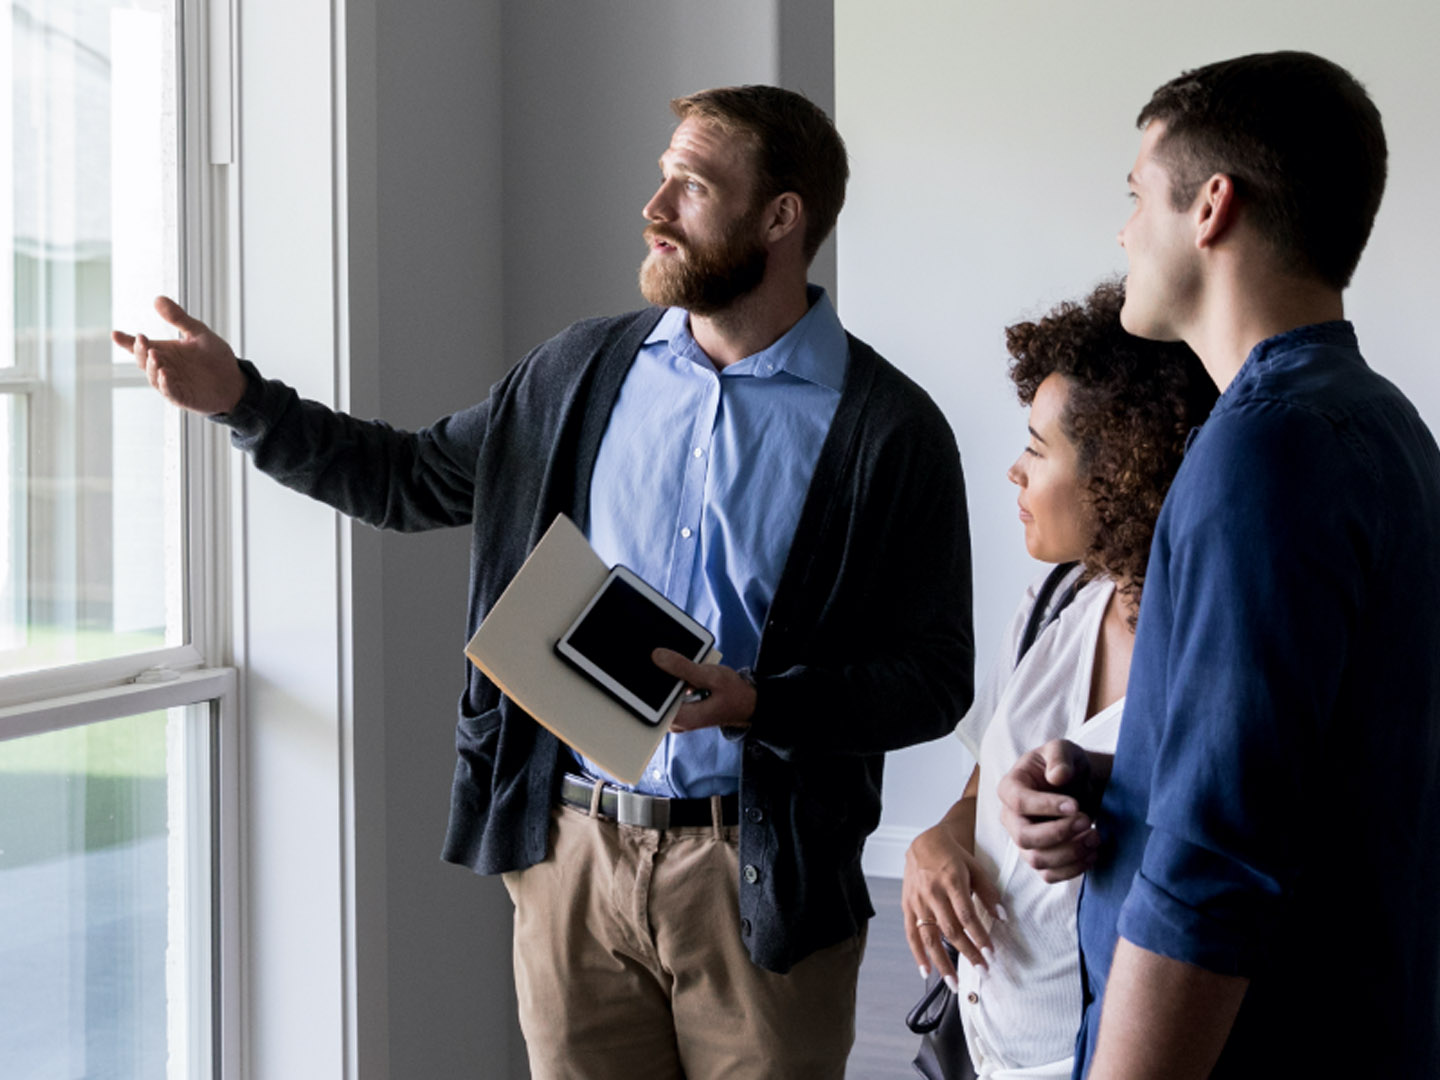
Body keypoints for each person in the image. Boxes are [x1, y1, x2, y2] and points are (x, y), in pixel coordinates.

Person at [113, 85, 974, 1078]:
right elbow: (406, 479)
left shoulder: (888, 430)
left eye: (691, 188)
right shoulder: (575, 374)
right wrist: (243, 402)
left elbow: (935, 675)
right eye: (662, 180)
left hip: (761, 871)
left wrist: (760, 702)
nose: (653, 210)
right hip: (570, 855)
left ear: (781, 217)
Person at [997, 52, 1440, 1078]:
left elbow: (1216, 868)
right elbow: (1326, 769)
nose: (1122, 232)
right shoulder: (1383, 428)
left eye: (1135, 196)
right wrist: (1123, 777)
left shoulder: (1264, 451)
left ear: (1211, 209)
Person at [902, 282, 1214, 1080]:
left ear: (1120, 471)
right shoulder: (1054, 600)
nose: (1014, 470)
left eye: (1038, 450)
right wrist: (942, 835)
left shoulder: (1205, 656)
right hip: (980, 1048)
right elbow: (990, 769)